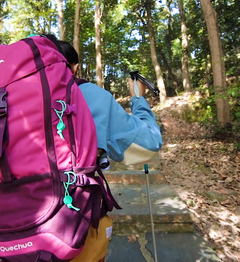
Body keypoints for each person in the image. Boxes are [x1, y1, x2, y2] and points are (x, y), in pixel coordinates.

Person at [50, 35, 163, 262]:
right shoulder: (91, 96)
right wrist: (138, 98)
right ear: (73, 68)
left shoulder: (0, 100)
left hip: (5, 232)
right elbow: (150, 143)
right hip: (72, 233)